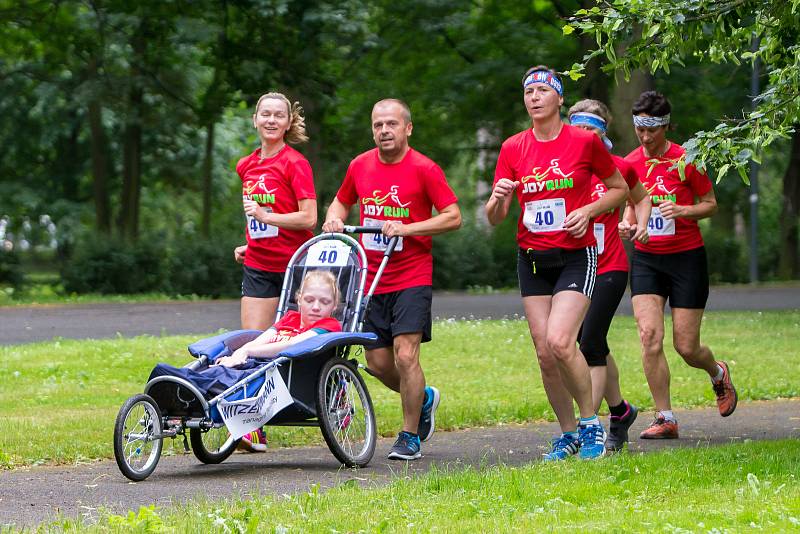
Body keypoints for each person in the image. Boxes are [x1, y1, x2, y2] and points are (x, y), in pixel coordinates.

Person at [485, 66, 629, 461]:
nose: (533, 97)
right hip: (531, 259)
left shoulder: (584, 143)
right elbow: (495, 217)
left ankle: (590, 426)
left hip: (575, 254)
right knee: (544, 352)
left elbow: (619, 189)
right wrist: (498, 198)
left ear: (559, 99)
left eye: (542, 90)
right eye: (528, 90)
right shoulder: (513, 147)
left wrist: (588, 210)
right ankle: (567, 435)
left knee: (561, 341)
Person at [322, 98, 461, 460]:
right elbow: (340, 201)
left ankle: (409, 435)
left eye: (391, 124)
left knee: (405, 355)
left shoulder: (425, 168)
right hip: (370, 277)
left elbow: (452, 216)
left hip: (411, 274)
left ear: (407, 128)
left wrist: (408, 228)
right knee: (379, 364)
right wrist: (334, 218)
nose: (384, 130)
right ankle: (424, 398)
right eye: (378, 125)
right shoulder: (360, 165)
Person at [622, 91, 737, 439]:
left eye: (651, 130)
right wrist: (628, 224)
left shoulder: (687, 158)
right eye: (639, 129)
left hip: (686, 257)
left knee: (686, 347)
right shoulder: (630, 162)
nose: (645, 137)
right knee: (649, 336)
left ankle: (717, 373)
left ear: (666, 126)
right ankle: (665, 417)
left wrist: (683, 211)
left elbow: (710, 203)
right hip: (646, 258)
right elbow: (631, 204)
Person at [148, 270, 342, 452]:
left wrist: (247, 351)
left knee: (225, 377)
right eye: (309, 300)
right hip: (255, 364)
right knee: (214, 368)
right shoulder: (290, 318)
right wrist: (237, 354)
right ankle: (180, 386)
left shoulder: (329, 325)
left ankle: (188, 391)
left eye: (324, 302)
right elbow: (264, 338)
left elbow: (289, 345)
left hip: (279, 374)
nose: (316, 307)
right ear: (298, 299)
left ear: (334, 306)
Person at [567, 99, 651, 451]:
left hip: (608, 266)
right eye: (579, 128)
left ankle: (591, 429)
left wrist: (638, 225)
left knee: (589, 346)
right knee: (593, 344)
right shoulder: (560, 170)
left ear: (604, 134)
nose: (585, 135)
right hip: (571, 268)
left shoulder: (617, 168)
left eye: (592, 130)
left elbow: (641, 198)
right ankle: (620, 410)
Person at [234, 92, 318, 332]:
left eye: (279, 115)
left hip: (295, 264)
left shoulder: (295, 163)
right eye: (266, 114)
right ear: (255, 120)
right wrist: (252, 243)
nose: (271, 120)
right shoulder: (245, 165)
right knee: (250, 340)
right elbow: (255, 215)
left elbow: (309, 218)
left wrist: (266, 217)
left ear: (288, 122)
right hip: (258, 264)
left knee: (292, 342)